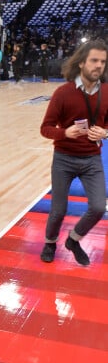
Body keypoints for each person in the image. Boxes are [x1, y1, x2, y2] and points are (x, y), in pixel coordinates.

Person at [40, 40, 108, 266]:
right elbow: (45, 128)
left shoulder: (107, 92)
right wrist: (64, 133)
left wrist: (105, 133)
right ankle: (50, 242)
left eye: (103, 62)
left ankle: (73, 239)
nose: (99, 66)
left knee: (98, 207)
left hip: (92, 159)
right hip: (64, 159)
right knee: (58, 210)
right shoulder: (63, 93)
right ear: (81, 63)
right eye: (94, 61)